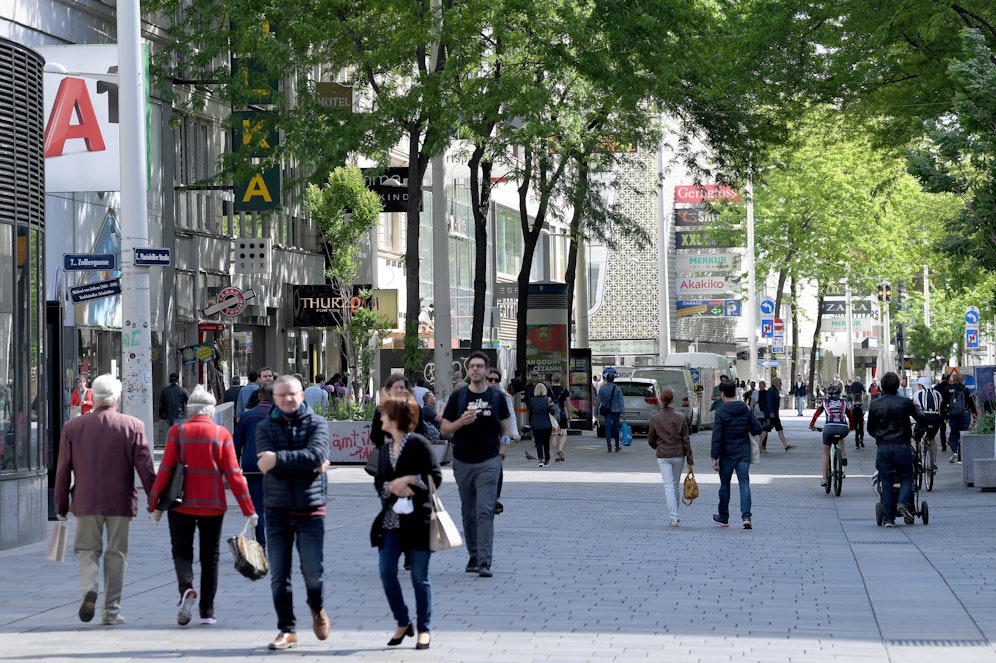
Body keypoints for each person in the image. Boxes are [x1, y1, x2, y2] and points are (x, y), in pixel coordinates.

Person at [148, 385, 257, 627]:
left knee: (181, 552)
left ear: (190, 410)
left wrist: (153, 500)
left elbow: (165, 470)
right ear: (210, 410)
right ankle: (207, 611)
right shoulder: (221, 434)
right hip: (213, 504)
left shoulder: (177, 432)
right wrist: (248, 509)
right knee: (211, 557)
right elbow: (233, 475)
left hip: (180, 504)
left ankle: (186, 588)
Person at [54, 374, 156, 626]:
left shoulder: (72, 427)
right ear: (117, 399)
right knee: (116, 554)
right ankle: (111, 610)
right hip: (121, 502)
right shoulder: (133, 426)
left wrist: (60, 505)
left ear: (94, 397)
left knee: (87, 551)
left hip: (86, 500)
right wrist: (155, 501)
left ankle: (90, 587)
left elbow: (63, 469)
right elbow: (145, 468)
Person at [255, 375, 332, 650]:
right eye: (282, 395)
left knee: (312, 572)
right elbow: (265, 463)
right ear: (274, 398)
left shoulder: (317, 423)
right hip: (277, 510)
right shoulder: (264, 427)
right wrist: (307, 463)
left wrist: (279, 459)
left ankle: (317, 608)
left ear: (302, 395)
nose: (288, 399)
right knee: (279, 575)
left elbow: (316, 454)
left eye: (293, 394)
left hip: (311, 509)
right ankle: (287, 630)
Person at [370, 392, 442, 651]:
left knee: (419, 577)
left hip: (419, 520)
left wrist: (411, 480)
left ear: (397, 418)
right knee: (386, 571)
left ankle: (424, 629)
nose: (381, 418)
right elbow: (379, 481)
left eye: (385, 414)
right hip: (391, 521)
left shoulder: (419, 444)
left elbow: (436, 477)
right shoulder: (385, 449)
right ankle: (402, 621)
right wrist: (390, 487)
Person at [440, 350, 512, 578]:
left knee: (485, 510)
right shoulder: (458, 397)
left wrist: (501, 455)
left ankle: (484, 561)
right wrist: (461, 421)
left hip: (489, 461)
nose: (475, 369)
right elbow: (444, 429)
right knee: (469, 512)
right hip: (462, 461)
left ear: (486, 370)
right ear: (468, 370)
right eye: (472, 366)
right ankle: (473, 555)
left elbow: (506, 429)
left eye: (480, 366)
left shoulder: (496, 397)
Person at [867, 372, 930, 527]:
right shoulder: (905, 402)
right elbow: (921, 418)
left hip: (883, 447)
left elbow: (870, 428)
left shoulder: (875, 404)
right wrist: (918, 432)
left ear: (882, 386)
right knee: (907, 477)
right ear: (898, 386)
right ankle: (902, 503)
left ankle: (888, 519)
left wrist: (880, 437)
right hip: (902, 445)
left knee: (887, 482)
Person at [711, 382, 762, 529]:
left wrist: (714, 457)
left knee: (725, 485)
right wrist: (747, 429)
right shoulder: (745, 408)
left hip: (726, 453)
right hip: (743, 452)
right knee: (744, 483)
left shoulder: (720, 411)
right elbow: (758, 428)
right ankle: (746, 517)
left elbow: (717, 436)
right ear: (734, 392)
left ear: (722, 394)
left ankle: (723, 517)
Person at [234, 383, 274, 545]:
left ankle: (260, 544)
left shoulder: (247, 416)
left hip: (252, 466)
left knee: (257, 507)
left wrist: (234, 465)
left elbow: (236, 443)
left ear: (259, 396)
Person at [647, 389, 693, 528]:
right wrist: (690, 459)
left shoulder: (655, 418)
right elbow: (686, 439)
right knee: (675, 485)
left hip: (663, 455)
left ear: (661, 400)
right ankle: (675, 515)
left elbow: (651, 439)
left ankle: (674, 517)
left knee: (668, 485)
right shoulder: (680, 417)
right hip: (679, 454)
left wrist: (657, 447)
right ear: (672, 400)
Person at [486, 368, 521, 514]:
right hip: (478, 440)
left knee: (497, 467)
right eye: (490, 380)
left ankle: (494, 498)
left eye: (496, 380)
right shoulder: (474, 394)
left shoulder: (503, 396)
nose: (493, 383)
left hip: (497, 438)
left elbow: (510, 415)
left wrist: (514, 433)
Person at [809, 383, 852, 488]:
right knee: (841, 437)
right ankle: (843, 455)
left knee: (825, 452)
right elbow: (850, 416)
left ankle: (824, 479)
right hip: (843, 428)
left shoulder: (825, 402)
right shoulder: (843, 402)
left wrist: (812, 425)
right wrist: (851, 427)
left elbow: (816, 414)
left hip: (829, 428)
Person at [912, 377, 943, 474]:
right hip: (936, 419)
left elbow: (913, 407)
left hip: (923, 419)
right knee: (932, 438)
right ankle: (933, 464)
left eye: (918, 385)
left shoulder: (918, 393)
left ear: (921, 385)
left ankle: (917, 460)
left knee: (915, 439)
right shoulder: (938, 394)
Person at [945, 372, 977, 463]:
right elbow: (972, 403)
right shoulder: (966, 390)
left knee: (954, 433)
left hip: (953, 415)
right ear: (963, 380)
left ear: (954, 380)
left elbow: (944, 403)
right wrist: (974, 415)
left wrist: (945, 415)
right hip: (965, 415)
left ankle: (954, 451)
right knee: (963, 435)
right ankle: (960, 458)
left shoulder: (948, 389)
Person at [759, 377, 795, 452]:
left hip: (774, 414)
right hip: (771, 415)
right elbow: (768, 402)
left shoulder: (774, 391)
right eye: (780, 382)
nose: (781, 384)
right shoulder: (771, 391)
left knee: (779, 429)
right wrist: (771, 412)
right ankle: (759, 445)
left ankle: (786, 446)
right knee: (766, 430)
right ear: (775, 383)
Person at [594, 369, 625, 452]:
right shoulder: (618, 389)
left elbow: (598, 401)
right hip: (616, 411)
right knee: (616, 428)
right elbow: (621, 401)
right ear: (613, 379)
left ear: (606, 379)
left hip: (607, 410)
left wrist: (595, 412)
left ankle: (609, 446)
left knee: (608, 428)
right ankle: (617, 446)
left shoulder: (602, 388)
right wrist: (623, 413)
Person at [528, 382, 555, 467]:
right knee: (546, 442)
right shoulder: (548, 399)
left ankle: (540, 459)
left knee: (538, 442)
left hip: (535, 424)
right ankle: (547, 459)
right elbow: (552, 411)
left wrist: (531, 423)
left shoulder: (532, 400)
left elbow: (530, 413)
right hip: (546, 424)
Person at [549, 373, 571, 462]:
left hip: (552, 416)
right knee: (563, 434)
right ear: (560, 380)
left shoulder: (548, 390)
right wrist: (569, 415)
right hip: (562, 415)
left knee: (554, 435)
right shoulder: (565, 391)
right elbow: (568, 404)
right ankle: (560, 449)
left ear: (552, 380)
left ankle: (556, 456)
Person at [848, 377, 867, 448]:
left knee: (856, 431)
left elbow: (850, 410)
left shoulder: (853, 405)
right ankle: (861, 438)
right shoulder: (862, 405)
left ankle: (857, 444)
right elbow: (864, 410)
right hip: (860, 418)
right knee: (861, 429)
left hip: (855, 418)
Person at [935, 373, 953, 452]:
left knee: (942, 429)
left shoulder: (937, 387)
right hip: (950, 409)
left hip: (940, 410)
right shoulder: (951, 388)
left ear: (942, 378)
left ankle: (943, 445)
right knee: (953, 427)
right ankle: (950, 440)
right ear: (949, 379)